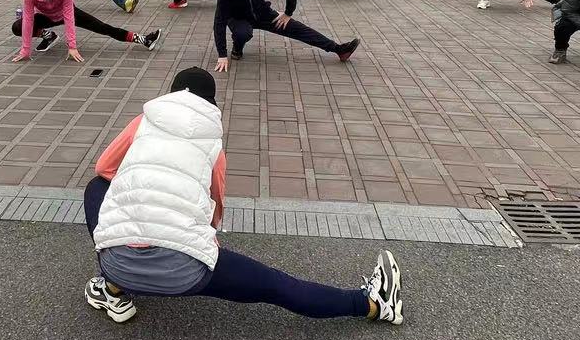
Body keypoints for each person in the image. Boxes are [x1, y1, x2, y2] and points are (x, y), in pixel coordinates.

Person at [82, 66, 403, 325]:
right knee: (277, 287)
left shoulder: (143, 120)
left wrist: (136, 188)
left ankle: (111, 288)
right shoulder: (212, 142)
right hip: (186, 272)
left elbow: (104, 168)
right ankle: (373, 305)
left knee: (96, 187)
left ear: (172, 94)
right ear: (211, 103)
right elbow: (214, 210)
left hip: (115, 261)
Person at [213, 0, 359, 71]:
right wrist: (222, 55)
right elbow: (219, 22)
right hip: (237, 18)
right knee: (242, 33)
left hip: (263, 13)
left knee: (298, 29)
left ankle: (339, 50)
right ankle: (237, 50)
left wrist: (288, 13)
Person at [11, 0, 160, 62]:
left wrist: (72, 46)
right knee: (18, 26)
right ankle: (49, 36)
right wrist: (25, 50)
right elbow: (29, 19)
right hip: (46, 17)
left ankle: (142, 39)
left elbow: (69, 19)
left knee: (103, 27)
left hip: (67, 13)